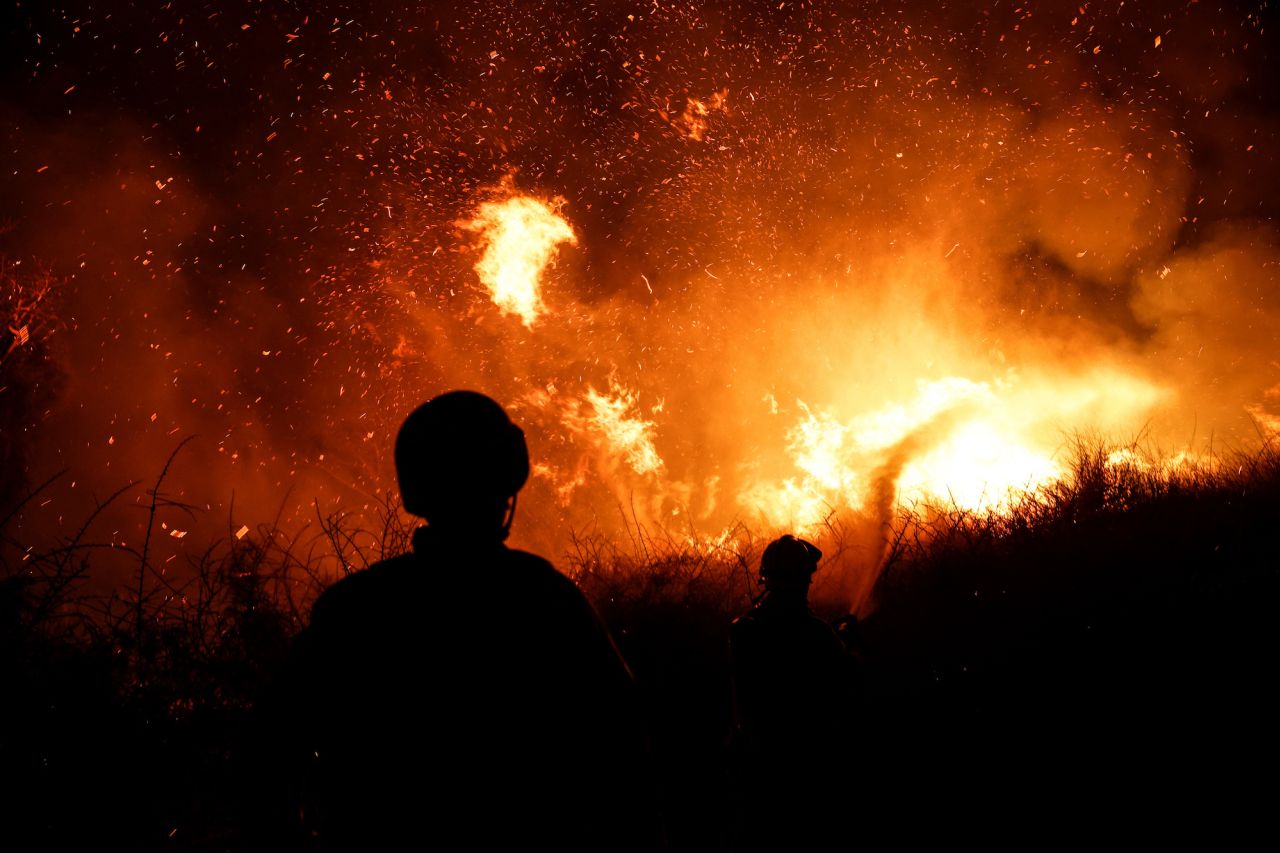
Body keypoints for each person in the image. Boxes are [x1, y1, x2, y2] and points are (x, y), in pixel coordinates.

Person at [248, 391, 657, 851]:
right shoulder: (542, 598)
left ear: (417, 487)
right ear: (507, 482)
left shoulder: (356, 607)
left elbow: (273, 747)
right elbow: (623, 744)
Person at [728, 535, 858, 850]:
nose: (808, 584)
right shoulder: (816, 634)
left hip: (756, 765)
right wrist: (849, 644)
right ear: (801, 580)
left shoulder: (742, 629)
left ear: (766, 577)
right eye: (806, 577)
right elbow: (847, 687)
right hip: (806, 767)